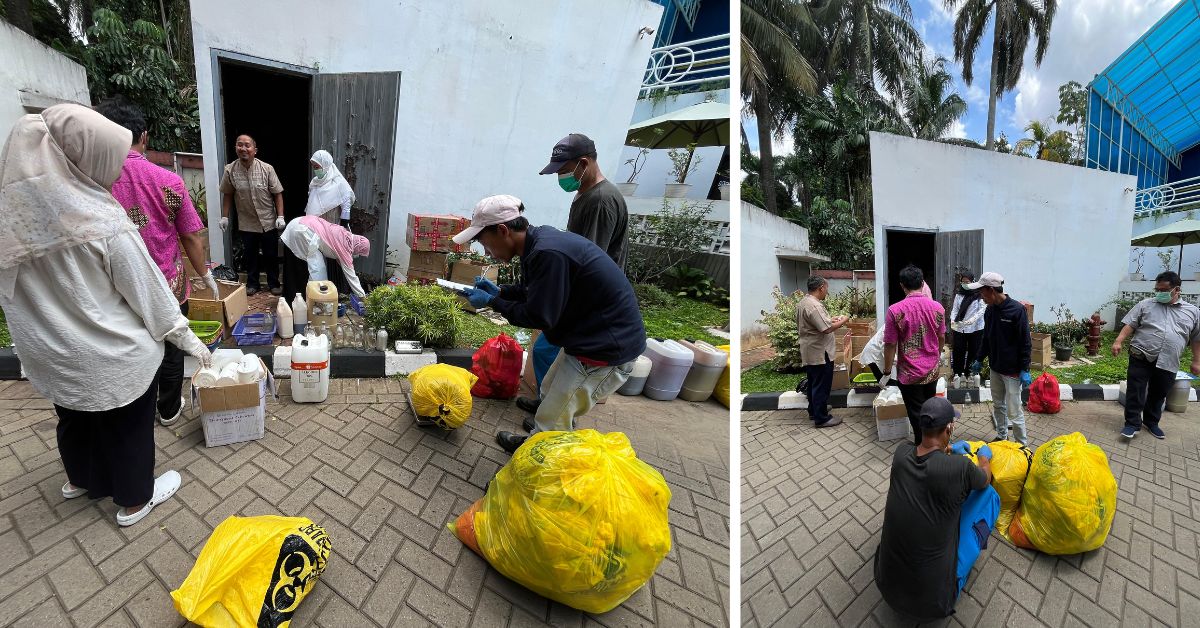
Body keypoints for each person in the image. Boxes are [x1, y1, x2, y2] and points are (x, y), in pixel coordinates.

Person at [0, 104, 212, 527]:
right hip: (111, 352)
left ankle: (81, 480)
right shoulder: (100, 219)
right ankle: (135, 500)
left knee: (74, 415)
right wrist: (190, 341)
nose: (117, 173)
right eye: (110, 161)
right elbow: (150, 295)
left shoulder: (12, 220)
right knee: (126, 424)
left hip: (52, 351)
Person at [452, 195, 645, 454]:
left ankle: (528, 481)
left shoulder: (547, 253)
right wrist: (500, 292)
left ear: (502, 230)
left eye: (484, 243)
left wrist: (492, 302)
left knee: (553, 421)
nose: (486, 252)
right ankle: (538, 439)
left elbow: (540, 316)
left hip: (604, 350)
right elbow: (535, 291)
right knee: (549, 390)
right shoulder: (538, 243)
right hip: (586, 338)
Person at [96, 97, 218, 428]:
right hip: (167, 283)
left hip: (113, 290)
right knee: (172, 345)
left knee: (129, 346)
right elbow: (191, 237)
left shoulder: (93, 182)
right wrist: (206, 276)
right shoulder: (168, 182)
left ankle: (134, 410)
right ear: (144, 136)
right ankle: (167, 408)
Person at [517, 134, 631, 417]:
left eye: (564, 170)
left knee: (548, 350)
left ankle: (550, 417)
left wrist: (555, 299)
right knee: (549, 353)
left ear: (584, 163)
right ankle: (546, 402)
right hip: (578, 292)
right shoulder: (585, 193)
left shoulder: (600, 201)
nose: (560, 177)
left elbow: (588, 259)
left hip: (589, 298)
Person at [875, 397, 997, 621]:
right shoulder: (961, 467)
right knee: (988, 496)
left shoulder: (901, 454)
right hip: (934, 603)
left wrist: (947, 449)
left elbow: (927, 455)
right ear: (949, 428)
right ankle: (968, 553)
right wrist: (983, 458)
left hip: (886, 586)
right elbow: (984, 479)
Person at [1112, 271, 1200, 440]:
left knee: (1159, 393)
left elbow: (1197, 338)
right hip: (1141, 354)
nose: (1159, 293)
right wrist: (1118, 341)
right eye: (1157, 289)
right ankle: (1132, 424)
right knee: (1135, 390)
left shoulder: (1193, 312)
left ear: (1177, 290)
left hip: (1169, 359)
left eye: (1164, 290)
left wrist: (1197, 360)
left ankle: (1151, 422)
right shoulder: (1146, 304)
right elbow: (1130, 324)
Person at [883, 265, 947, 444]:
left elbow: (890, 344)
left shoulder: (895, 311)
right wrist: (937, 355)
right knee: (930, 408)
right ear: (922, 283)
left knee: (916, 411)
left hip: (909, 373)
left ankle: (923, 446)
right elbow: (941, 336)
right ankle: (933, 442)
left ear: (903, 286)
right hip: (932, 370)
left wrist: (887, 371)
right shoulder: (937, 308)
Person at [218, 134, 285, 296]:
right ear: (236, 148)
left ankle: (274, 283)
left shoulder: (267, 169)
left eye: (247, 145)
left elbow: (277, 194)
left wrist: (280, 216)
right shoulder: (230, 170)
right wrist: (224, 216)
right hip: (246, 222)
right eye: (239, 145)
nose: (243, 148)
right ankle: (253, 284)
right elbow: (227, 194)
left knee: (270, 255)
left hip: (267, 221)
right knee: (250, 256)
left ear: (255, 150)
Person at [969, 272, 1031, 445]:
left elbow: (1025, 342)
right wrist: (979, 359)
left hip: (1012, 371)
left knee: (1014, 411)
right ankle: (1002, 436)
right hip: (996, 368)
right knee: (998, 406)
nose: (981, 297)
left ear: (991, 290)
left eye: (982, 292)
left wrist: (1025, 369)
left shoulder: (1017, 310)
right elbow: (986, 338)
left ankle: (1022, 445)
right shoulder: (990, 310)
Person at [797, 276, 849, 427]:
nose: (827, 291)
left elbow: (816, 323)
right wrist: (843, 320)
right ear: (821, 288)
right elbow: (826, 328)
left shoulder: (804, 302)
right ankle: (821, 418)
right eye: (826, 288)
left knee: (814, 381)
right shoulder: (814, 306)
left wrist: (831, 319)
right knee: (821, 385)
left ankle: (814, 410)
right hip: (820, 352)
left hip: (810, 350)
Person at [302, 150, 355, 294]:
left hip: (333, 224)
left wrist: (343, 224)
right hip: (317, 225)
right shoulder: (315, 182)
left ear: (326, 165)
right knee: (318, 256)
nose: (315, 170)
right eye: (313, 166)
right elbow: (312, 202)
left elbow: (346, 202)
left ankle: (340, 291)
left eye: (317, 166)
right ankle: (320, 289)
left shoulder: (338, 182)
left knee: (336, 257)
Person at [280, 216, 371, 297]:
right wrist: (362, 296)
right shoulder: (344, 249)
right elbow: (352, 277)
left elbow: (338, 258)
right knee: (318, 273)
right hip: (303, 231)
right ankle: (316, 303)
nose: (357, 255)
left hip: (298, 223)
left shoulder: (345, 235)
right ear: (357, 248)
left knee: (307, 268)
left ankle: (304, 299)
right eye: (360, 253)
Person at [950, 271, 986, 384]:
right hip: (960, 326)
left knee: (974, 351)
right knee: (958, 350)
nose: (965, 284)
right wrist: (952, 320)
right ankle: (957, 373)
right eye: (963, 282)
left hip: (976, 328)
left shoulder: (979, 294)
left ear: (973, 281)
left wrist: (972, 320)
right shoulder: (959, 294)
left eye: (967, 282)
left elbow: (982, 309)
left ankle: (969, 373)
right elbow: (955, 309)